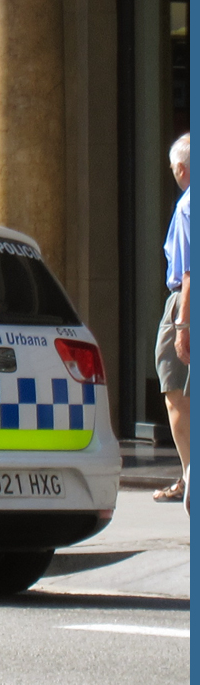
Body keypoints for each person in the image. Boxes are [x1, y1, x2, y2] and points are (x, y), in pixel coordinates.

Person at [153, 133, 190, 502]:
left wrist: (181, 325)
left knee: (174, 390)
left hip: (185, 302)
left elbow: (190, 272)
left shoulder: (186, 206)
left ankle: (190, 475)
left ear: (180, 169)